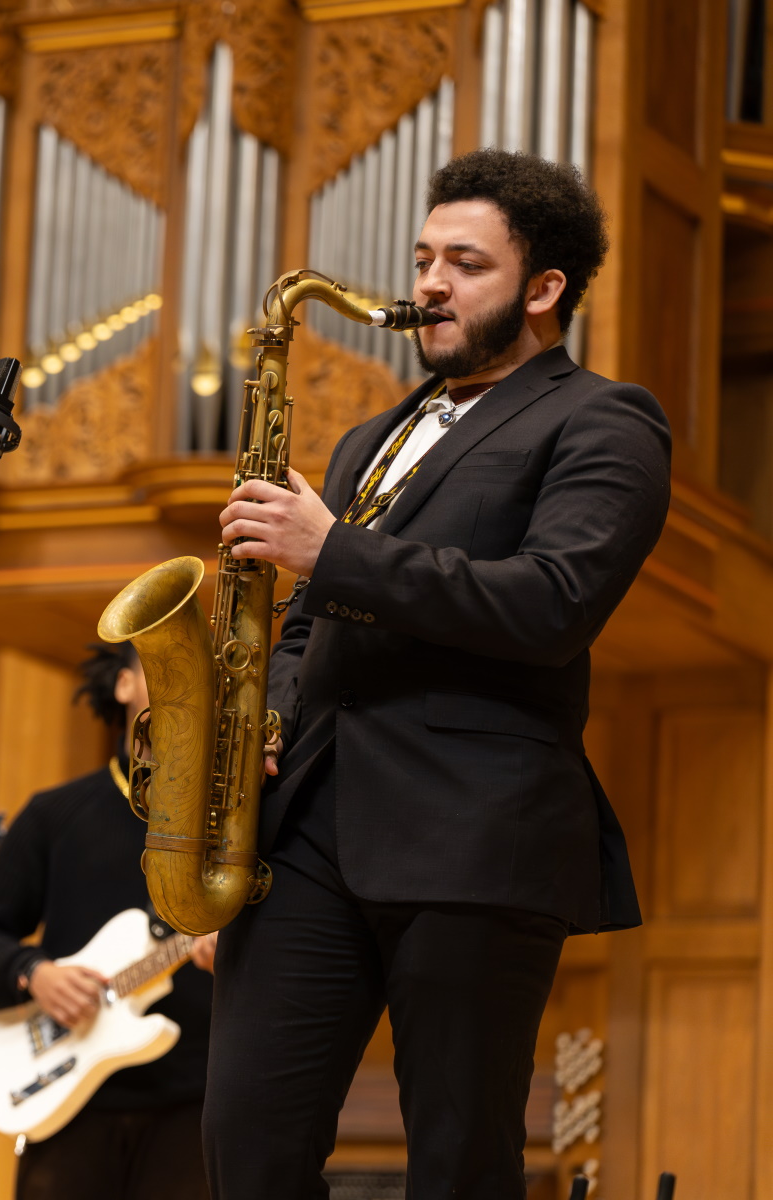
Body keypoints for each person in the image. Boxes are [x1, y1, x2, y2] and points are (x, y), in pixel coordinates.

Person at [202, 149, 672, 1196]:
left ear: (544, 289)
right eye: (423, 258)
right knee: (247, 1138)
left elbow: (553, 603)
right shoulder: (372, 438)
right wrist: (266, 722)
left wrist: (337, 551)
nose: (429, 284)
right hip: (309, 826)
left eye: (466, 262)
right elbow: (301, 631)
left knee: (460, 1157)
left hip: (473, 833)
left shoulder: (605, 418)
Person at [0, 643, 216, 1200]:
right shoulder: (55, 814)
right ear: (123, 685)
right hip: (68, 1106)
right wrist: (32, 972)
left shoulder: (231, 817)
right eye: (162, 663)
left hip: (198, 1106)